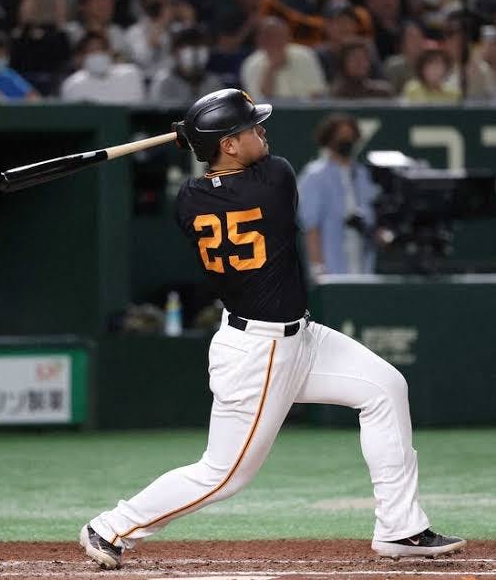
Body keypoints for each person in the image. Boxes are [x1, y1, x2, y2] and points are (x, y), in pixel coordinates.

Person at [79, 88, 466, 570]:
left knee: (385, 388)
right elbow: (253, 164)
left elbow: (219, 172)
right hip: (258, 352)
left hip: (299, 338)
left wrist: (199, 139)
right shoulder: (275, 180)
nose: (262, 131)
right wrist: (197, 136)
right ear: (227, 145)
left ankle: (400, 529)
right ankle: (112, 526)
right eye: (249, 128)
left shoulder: (190, 199)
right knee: (223, 474)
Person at [298, 113, 378, 277]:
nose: (346, 141)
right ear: (329, 139)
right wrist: (317, 267)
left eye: (350, 136)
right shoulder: (315, 176)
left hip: (364, 268)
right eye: (340, 136)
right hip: (332, 270)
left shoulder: (363, 174)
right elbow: (311, 227)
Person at [240, 16, 327, 100]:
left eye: (279, 35)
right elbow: (260, 101)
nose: (275, 40)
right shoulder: (251, 64)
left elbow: (318, 94)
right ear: (259, 39)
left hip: (305, 109)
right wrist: (271, 68)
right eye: (269, 36)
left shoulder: (304, 55)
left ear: (288, 37)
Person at [60, 31, 145, 103]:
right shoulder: (72, 85)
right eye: (92, 51)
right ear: (80, 57)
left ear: (110, 52)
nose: (97, 54)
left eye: (101, 49)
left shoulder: (131, 74)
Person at [149, 24, 223, 105]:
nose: (194, 50)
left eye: (199, 45)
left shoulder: (213, 82)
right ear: (175, 51)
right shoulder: (164, 82)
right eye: (188, 45)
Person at [383, 20, 427, 94]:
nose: (416, 41)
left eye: (419, 36)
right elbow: (391, 95)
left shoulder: (429, 64)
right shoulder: (394, 66)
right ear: (403, 41)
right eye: (411, 37)